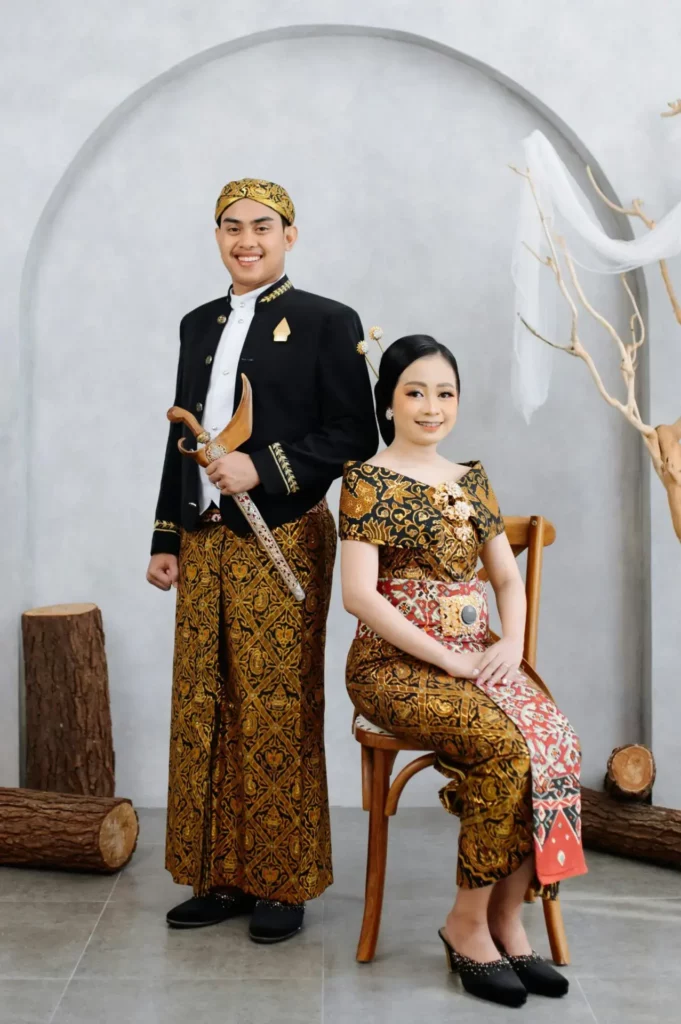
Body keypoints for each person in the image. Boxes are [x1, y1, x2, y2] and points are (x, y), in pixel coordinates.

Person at [146, 178, 378, 943]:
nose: (246, 240)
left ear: (289, 235)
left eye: (262, 226)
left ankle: (280, 880)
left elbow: (356, 433)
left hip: (283, 535)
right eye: (231, 226)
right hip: (204, 540)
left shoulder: (325, 321)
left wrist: (265, 467)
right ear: (217, 235)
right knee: (205, 707)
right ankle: (220, 878)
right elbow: (184, 435)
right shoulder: (197, 324)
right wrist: (166, 537)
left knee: (275, 708)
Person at [339, 334, 586, 1005]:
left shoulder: (471, 478)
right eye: (415, 392)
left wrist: (512, 645)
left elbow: (505, 579)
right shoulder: (366, 481)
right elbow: (358, 595)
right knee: (504, 746)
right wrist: (448, 656)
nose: (431, 407)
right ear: (388, 403)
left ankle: (509, 919)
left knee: (556, 741)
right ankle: (466, 924)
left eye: (445, 393)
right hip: (393, 666)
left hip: (477, 656)